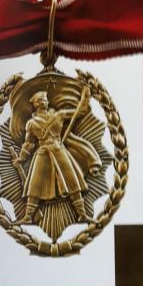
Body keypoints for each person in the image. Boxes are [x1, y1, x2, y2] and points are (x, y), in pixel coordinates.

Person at [14, 89, 101, 223]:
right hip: (43, 151)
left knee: (72, 181)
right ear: (37, 104)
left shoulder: (59, 115)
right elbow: (29, 143)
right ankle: (28, 217)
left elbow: (81, 111)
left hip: (59, 149)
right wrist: (22, 157)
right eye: (43, 100)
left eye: (46, 99)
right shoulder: (31, 123)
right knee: (35, 184)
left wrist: (85, 98)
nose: (47, 101)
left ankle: (82, 214)